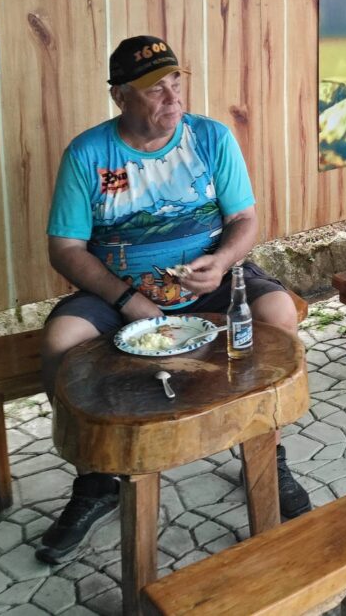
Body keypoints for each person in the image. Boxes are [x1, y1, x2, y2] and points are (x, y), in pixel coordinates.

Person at [37, 36, 310, 565]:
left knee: (276, 312)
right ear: (120, 97)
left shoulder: (211, 138)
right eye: (154, 89)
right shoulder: (88, 154)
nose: (172, 97)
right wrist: (126, 299)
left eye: (175, 82)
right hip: (120, 289)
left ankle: (265, 451)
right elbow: (65, 248)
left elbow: (245, 220)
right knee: (62, 340)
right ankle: (95, 478)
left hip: (212, 279)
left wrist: (222, 262)